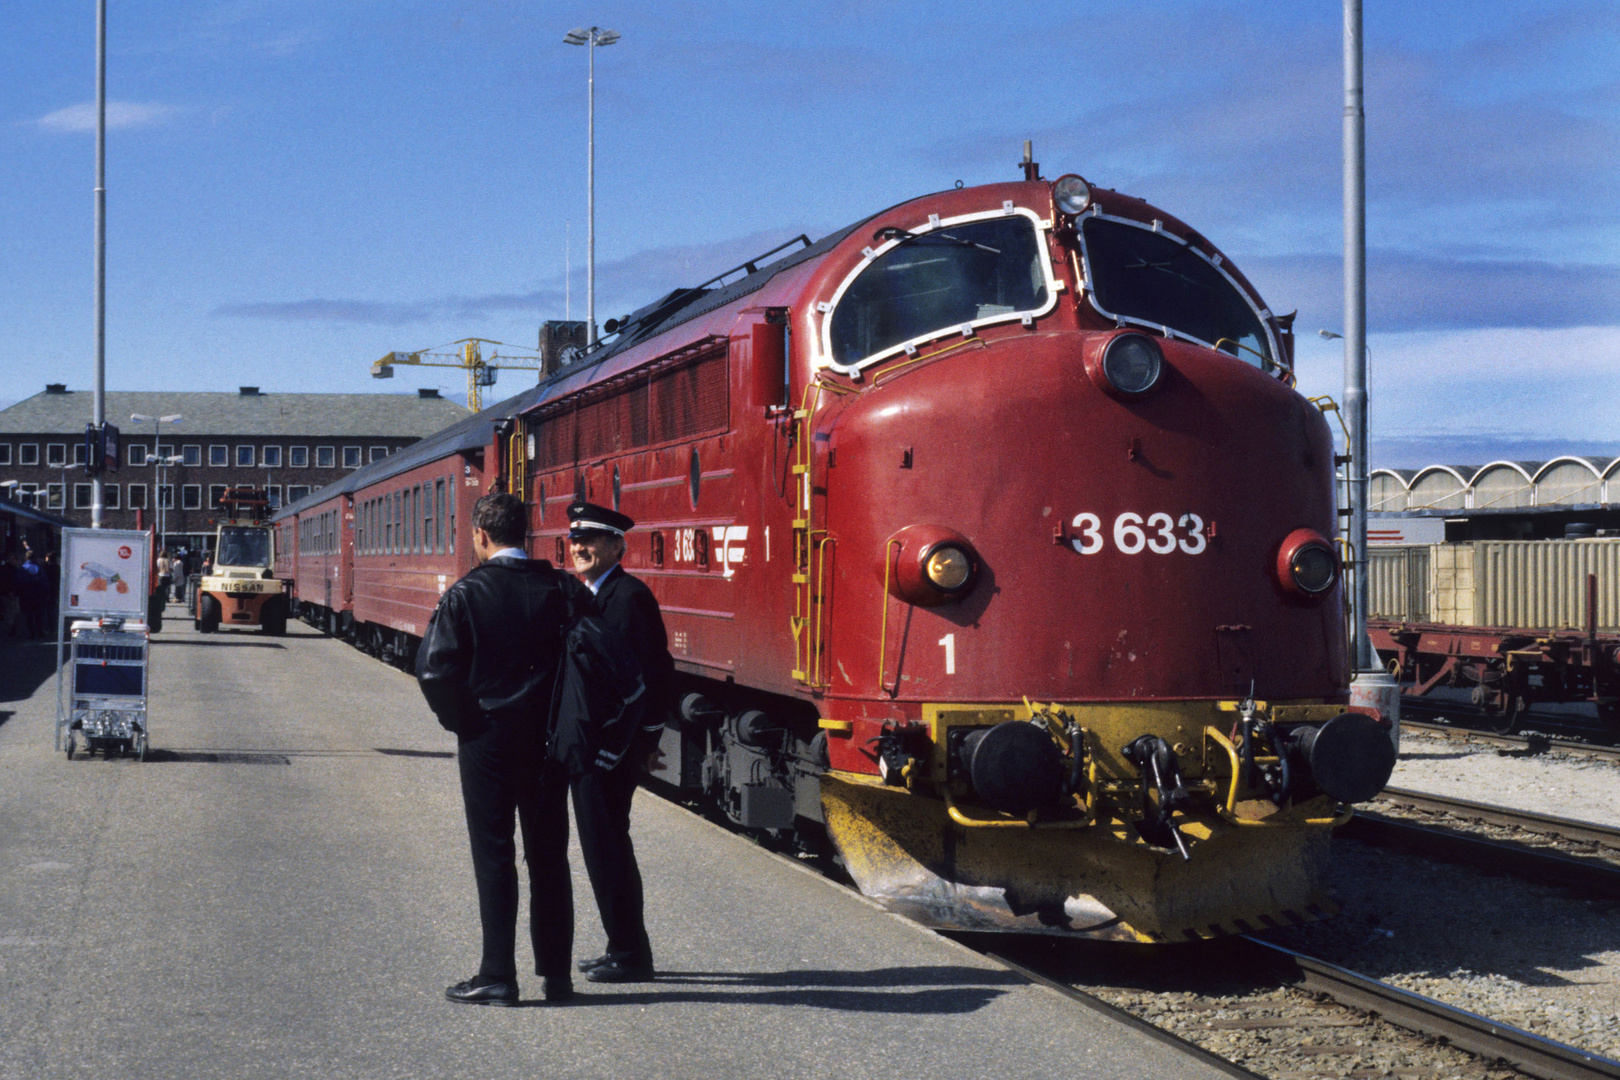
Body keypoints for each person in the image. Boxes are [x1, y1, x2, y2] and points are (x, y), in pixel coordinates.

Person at [416, 492, 597, 1006]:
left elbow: (433, 670)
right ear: (527, 533)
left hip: (488, 741)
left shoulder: (466, 594)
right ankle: (557, 975)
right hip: (548, 741)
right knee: (549, 855)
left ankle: (497, 973)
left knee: (494, 854)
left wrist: (465, 721)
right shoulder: (563, 589)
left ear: (481, 536)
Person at [565, 500, 674, 984]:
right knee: (604, 845)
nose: (580, 547)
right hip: (601, 744)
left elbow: (649, 678)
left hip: (610, 747)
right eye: (575, 539)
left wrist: (641, 741)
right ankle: (621, 945)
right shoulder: (597, 594)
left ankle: (630, 953)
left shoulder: (628, 598)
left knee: (608, 846)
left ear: (617, 546)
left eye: (591, 539)